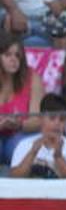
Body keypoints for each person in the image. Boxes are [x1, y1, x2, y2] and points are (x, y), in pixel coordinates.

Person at [9, 92, 66, 177]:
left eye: (62, 119)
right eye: (52, 118)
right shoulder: (24, 145)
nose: (57, 123)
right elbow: (14, 177)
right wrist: (32, 152)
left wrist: (58, 156)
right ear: (41, 118)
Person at [0, 30, 44, 165]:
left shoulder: (32, 77)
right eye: (8, 55)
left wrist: (19, 124)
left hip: (19, 135)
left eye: (17, 56)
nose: (14, 59)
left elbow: (38, 120)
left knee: (20, 149)